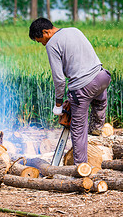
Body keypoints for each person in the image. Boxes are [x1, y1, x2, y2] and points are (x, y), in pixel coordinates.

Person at [29, 18, 111, 164]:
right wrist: (72, 96)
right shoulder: (74, 30)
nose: (41, 43)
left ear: (45, 32)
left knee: (78, 129)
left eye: (40, 40)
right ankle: (97, 127)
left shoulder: (52, 44)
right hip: (102, 76)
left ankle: (80, 167)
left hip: (83, 87)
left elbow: (59, 79)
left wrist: (58, 103)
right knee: (99, 99)